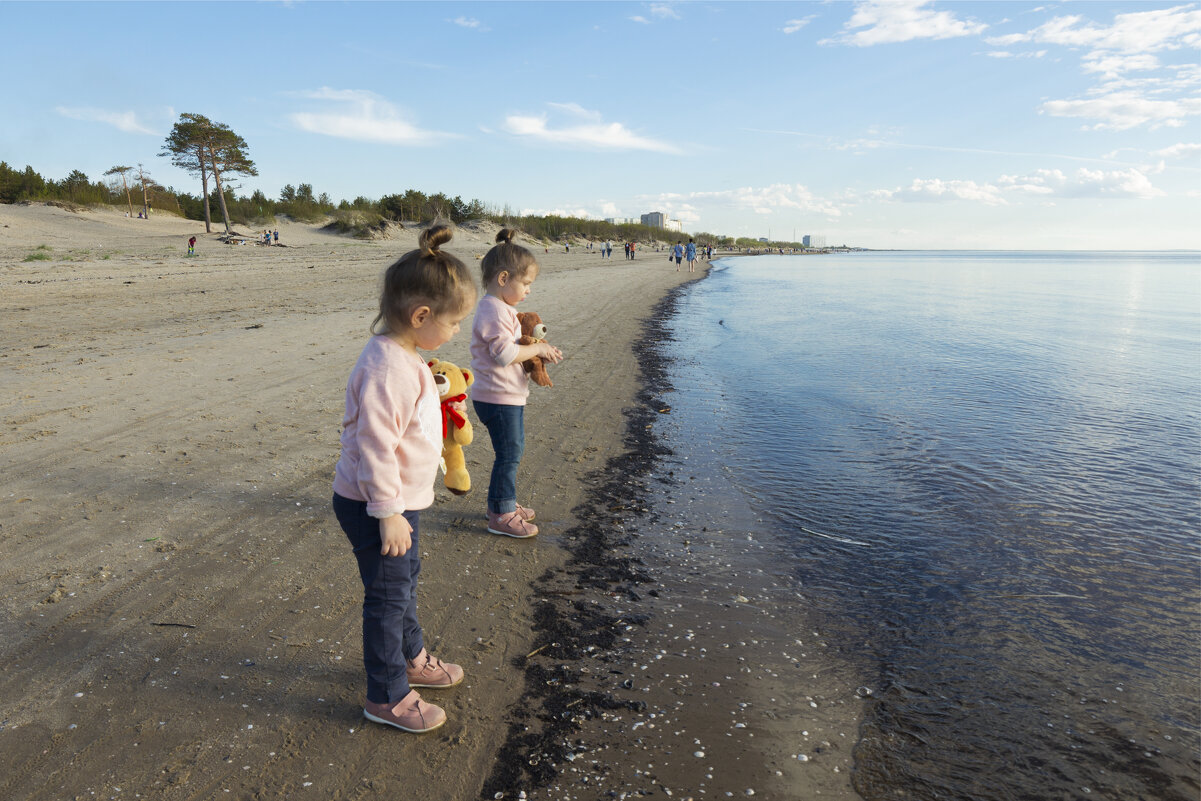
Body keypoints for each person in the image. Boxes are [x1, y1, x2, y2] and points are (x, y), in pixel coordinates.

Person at [331, 224, 477, 734]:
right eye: (455, 322)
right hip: (377, 503)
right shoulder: (387, 368)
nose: (458, 331)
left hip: (396, 500)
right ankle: (386, 693)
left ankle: (411, 656)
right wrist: (388, 512)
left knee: (404, 583)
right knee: (388, 596)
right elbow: (374, 444)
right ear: (421, 316)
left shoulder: (405, 358)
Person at [470, 229, 563, 539]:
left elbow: (515, 350)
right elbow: (504, 354)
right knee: (510, 453)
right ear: (503, 278)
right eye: (525, 284)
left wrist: (540, 353)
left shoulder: (503, 310)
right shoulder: (492, 310)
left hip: (506, 395)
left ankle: (502, 502)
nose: (528, 291)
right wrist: (535, 349)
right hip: (496, 397)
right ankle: (500, 513)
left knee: (512, 450)